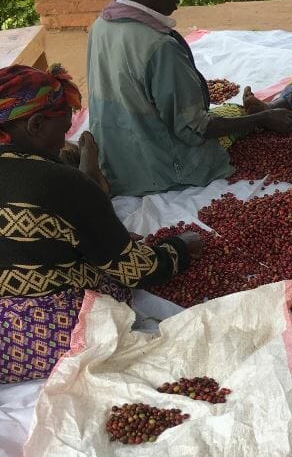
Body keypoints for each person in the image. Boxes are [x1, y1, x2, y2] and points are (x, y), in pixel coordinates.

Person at [0, 64, 202, 384]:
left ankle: (93, 190)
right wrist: (178, 248)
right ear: (36, 124)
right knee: (108, 267)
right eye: (64, 130)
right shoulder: (60, 182)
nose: (64, 138)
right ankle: (95, 187)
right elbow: (134, 270)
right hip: (37, 340)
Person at [87, 0, 292, 197]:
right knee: (235, 118)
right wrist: (263, 118)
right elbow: (196, 129)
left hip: (118, 160)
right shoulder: (159, 46)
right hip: (159, 169)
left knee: (233, 112)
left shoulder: (100, 26)